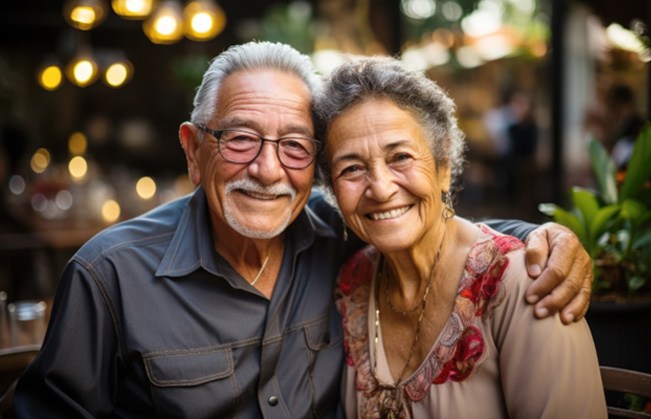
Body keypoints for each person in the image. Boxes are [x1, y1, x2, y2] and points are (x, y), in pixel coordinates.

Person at [15, 41, 593, 418]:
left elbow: (431, 231)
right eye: (239, 138)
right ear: (194, 152)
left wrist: (543, 237)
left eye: (293, 146)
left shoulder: (341, 241)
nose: (267, 170)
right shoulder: (110, 274)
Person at [316, 55, 606, 418]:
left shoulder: (528, 286)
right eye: (352, 168)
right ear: (331, 191)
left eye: (400, 157)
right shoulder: (351, 284)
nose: (380, 187)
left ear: (443, 166)